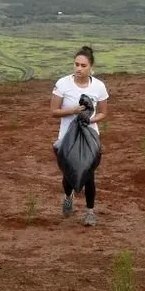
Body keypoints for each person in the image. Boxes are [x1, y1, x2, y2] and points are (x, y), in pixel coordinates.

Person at [50, 45, 109, 226]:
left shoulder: (99, 86)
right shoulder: (62, 84)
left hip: (90, 137)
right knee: (68, 173)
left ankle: (90, 212)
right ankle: (68, 196)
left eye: (83, 65)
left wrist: (89, 120)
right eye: (76, 64)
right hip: (66, 137)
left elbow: (103, 113)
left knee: (89, 175)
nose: (79, 68)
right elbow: (54, 111)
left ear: (91, 67)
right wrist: (73, 111)